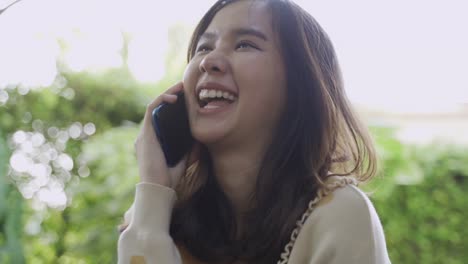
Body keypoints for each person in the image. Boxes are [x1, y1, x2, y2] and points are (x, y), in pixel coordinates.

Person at [118, 0, 391, 263]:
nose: (209, 61)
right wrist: (154, 190)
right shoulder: (155, 218)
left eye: (245, 44)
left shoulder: (340, 216)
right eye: (204, 48)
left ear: (300, 85)